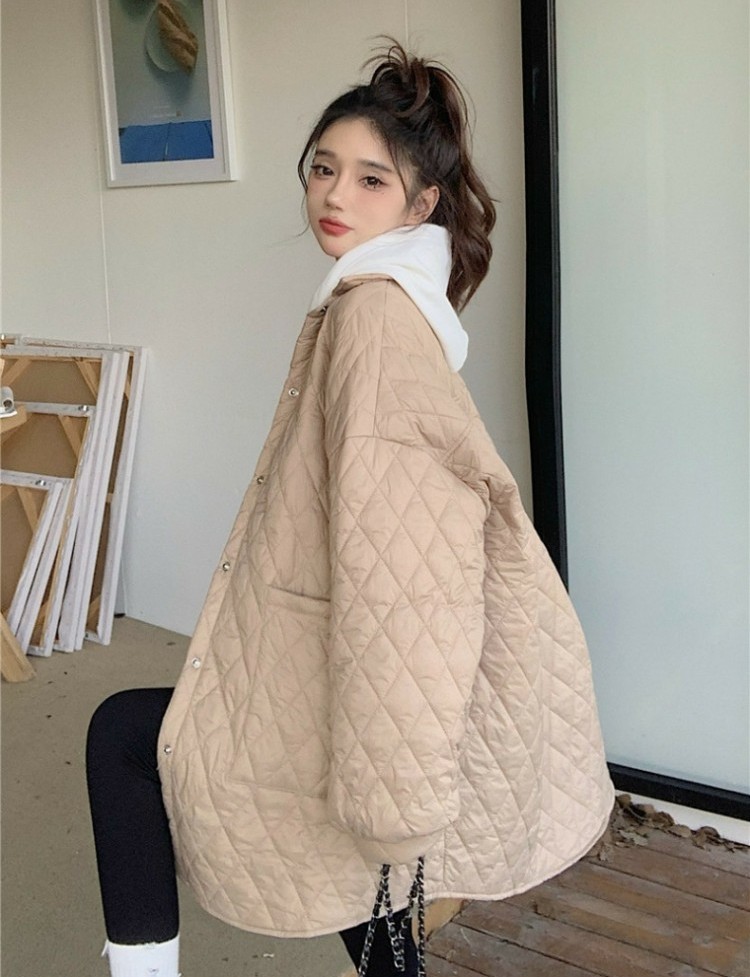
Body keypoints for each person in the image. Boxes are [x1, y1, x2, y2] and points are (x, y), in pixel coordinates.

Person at [86, 40, 615, 977]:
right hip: (332, 676)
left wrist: (395, 785)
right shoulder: (380, 303)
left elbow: (408, 573)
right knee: (341, 863)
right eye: (324, 169)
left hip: (365, 692)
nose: (334, 195)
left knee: (127, 739)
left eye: (372, 179)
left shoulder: (372, 320)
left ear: (421, 205)